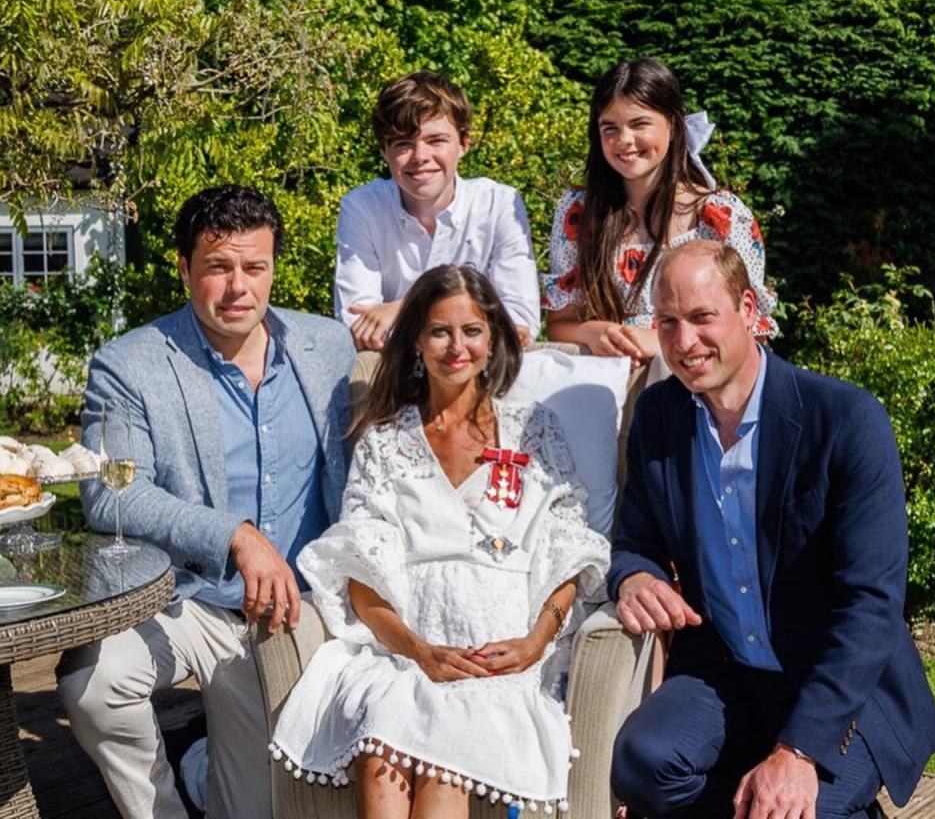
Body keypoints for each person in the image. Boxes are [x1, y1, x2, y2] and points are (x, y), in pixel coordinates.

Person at [608, 239, 935, 818]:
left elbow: (872, 603)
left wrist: (799, 751)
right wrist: (634, 577)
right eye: (667, 322)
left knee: (790, 809)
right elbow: (634, 542)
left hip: (837, 682)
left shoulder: (844, 419)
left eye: (701, 317)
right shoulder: (659, 416)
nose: (684, 342)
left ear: (747, 309)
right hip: (725, 670)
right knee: (642, 762)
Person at [56, 185, 355, 819]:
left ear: (274, 266)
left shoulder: (329, 348)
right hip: (187, 599)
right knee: (93, 682)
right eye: (218, 268)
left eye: (255, 267)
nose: (238, 287)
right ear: (186, 268)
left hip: (296, 610)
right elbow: (111, 495)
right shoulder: (130, 364)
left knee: (255, 810)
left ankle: (200, 762)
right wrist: (233, 536)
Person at [269, 265, 608, 817]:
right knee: (383, 753)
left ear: (494, 338)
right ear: (416, 343)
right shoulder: (385, 441)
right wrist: (419, 652)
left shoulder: (533, 429)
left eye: (472, 330)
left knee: (443, 764)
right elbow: (362, 576)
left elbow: (567, 550)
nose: (457, 347)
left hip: (502, 657)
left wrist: (534, 642)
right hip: (407, 654)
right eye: (439, 332)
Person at [543, 58, 778, 368]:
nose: (624, 141)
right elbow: (559, 324)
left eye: (639, 124)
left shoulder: (721, 217)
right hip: (609, 386)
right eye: (609, 128)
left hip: (696, 389)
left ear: (673, 124)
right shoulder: (580, 211)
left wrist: (661, 341)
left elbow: (751, 332)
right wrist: (594, 331)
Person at [334, 70, 541, 351]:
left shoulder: (499, 204)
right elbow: (360, 325)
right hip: (397, 374)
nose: (420, 157)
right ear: (384, 151)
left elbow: (519, 322)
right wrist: (474, 321)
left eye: (435, 141)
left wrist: (405, 307)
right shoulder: (362, 208)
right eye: (403, 144)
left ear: (463, 143)